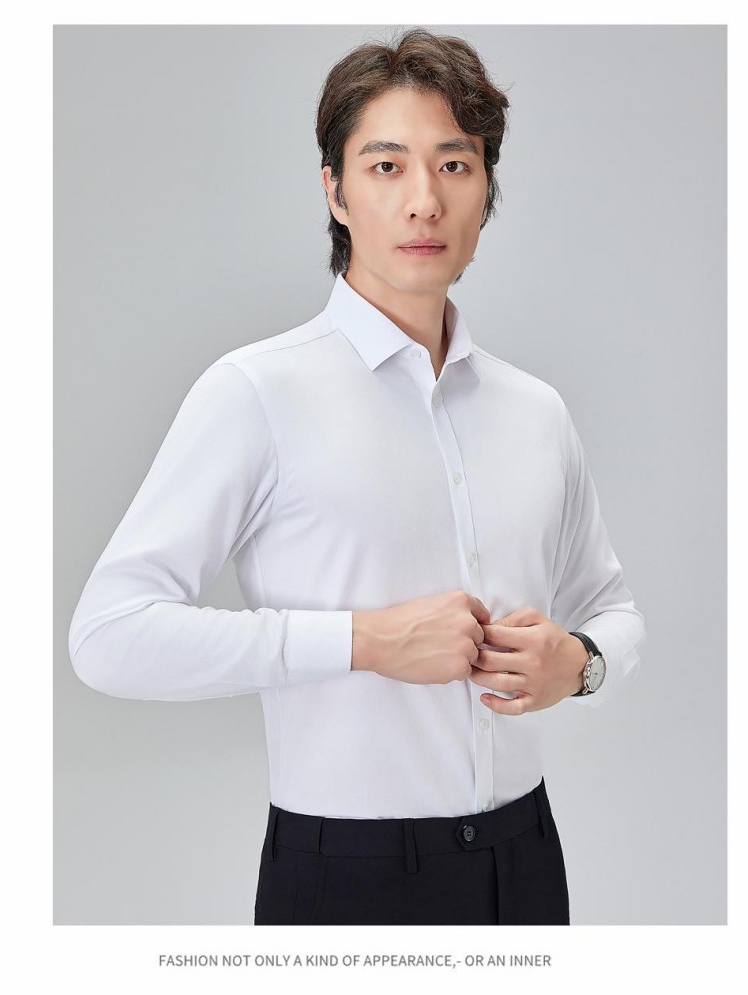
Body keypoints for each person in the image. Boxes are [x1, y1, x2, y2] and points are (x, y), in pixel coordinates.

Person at [68, 27, 646, 926]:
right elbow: (107, 635)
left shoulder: (537, 410)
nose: (424, 201)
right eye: (386, 166)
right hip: (346, 877)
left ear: (486, 191)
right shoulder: (257, 393)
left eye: (454, 165)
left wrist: (582, 664)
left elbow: (613, 608)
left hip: (527, 861)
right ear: (335, 191)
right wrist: (361, 641)